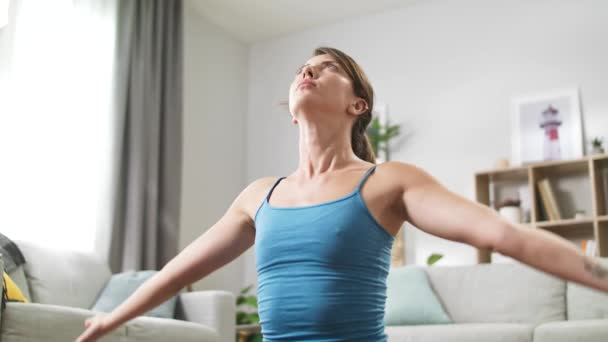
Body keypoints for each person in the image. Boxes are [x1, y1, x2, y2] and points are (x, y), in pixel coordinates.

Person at [76, 47, 608, 342]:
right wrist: (111, 318)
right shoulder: (259, 195)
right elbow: (179, 271)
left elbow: (504, 234)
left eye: (328, 68)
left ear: (358, 106)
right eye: (303, 68)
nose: (308, 70)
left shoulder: (388, 182)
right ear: (290, 107)